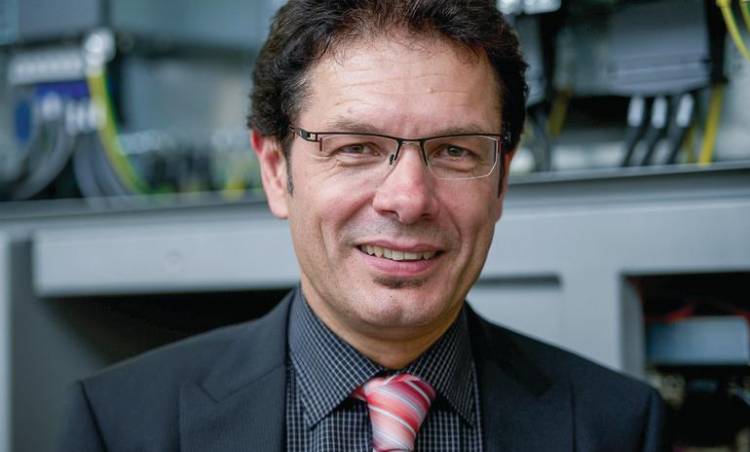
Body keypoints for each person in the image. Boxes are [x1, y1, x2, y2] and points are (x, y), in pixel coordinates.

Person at [59, 1, 666, 451]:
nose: (408, 199)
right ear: (275, 170)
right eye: (356, 148)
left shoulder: (616, 427)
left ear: (501, 179)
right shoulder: (121, 426)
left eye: (455, 150)